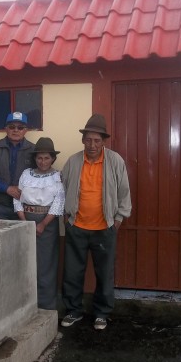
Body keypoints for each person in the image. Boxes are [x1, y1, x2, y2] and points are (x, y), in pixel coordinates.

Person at [59, 114, 132, 330]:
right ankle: (73, 311)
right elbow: (62, 190)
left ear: (104, 141)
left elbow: (124, 192)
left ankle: (102, 313)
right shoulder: (73, 161)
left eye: (97, 141)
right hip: (77, 227)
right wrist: (67, 216)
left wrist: (118, 219)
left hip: (104, 228)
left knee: (104, 273)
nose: (92, 145)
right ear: (83, 140)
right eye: (89, 140)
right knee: (72, 272)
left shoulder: (115, 161)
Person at [14, 137, 65, 310]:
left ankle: (47, 306)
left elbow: (59, 202)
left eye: (47, 158)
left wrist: (43, 224)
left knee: (46, 264)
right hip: (25, 220)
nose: (43, 161)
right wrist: (24, 221)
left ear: (53, 159)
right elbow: (17, 198)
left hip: (48, 223)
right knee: (27, 262)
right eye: (39, 158)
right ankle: (28, 305)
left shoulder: (57, 177)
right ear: (35, 159)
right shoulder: (26, 174)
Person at [0, 112, 35, 220]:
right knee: (0, 236)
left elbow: (39, 175)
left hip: (25, 206)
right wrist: (7, 189)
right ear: (6, 129)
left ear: (26, 130)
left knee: (23, 237)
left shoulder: (33, 150)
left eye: (20, 127)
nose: (16, 130)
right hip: (0, 207)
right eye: (12, 127)